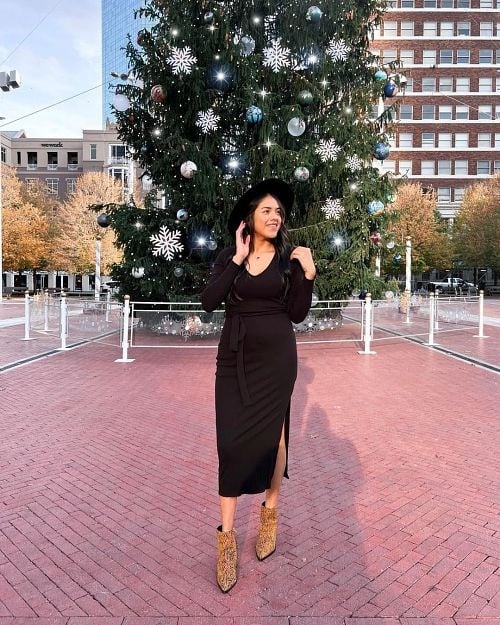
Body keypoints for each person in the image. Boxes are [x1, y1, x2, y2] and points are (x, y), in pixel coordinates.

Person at [201, 179, 316, 592]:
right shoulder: (230, 255)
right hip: (234, 360)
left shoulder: (289, 259)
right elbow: (209, 301)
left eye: (279, 213)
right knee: (230, 444)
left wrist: (308, 273)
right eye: (266, 210)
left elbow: (298, 314)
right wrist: (236, 258)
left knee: (275, 439)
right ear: (250, 216)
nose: (274, 217)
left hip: (277, 362)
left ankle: (270, 511)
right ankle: (227, 539)